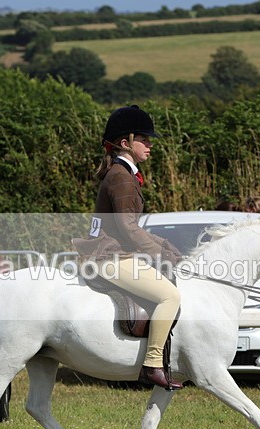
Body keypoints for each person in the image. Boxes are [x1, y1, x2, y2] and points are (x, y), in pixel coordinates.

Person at [73, 105, 184, 390]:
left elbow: (131, 227)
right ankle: (153, 364)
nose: (150, 144)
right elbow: (127, 228)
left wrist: (165, 245)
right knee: (169, 296)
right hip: (110, 257)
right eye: (144, 139)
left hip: (112, 253)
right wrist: (160, 253)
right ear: (125, 142)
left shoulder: (121, 173)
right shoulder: (121, 176)